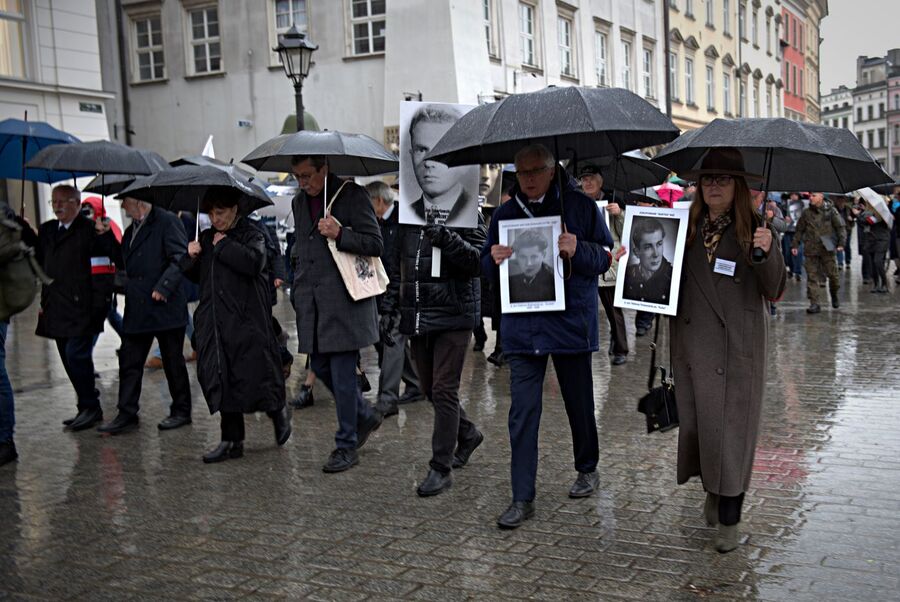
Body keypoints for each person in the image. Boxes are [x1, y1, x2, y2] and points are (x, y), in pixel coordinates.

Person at [482, 143, 613, 529]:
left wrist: (579, 250)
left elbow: (605, 258)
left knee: (579, 402)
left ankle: (588, 467)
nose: (529, 180)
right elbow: (485, 266)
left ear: (552, 169)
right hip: (523, 330)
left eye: (536, 171)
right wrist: (491, 259)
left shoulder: (581, 207)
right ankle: (522, 496)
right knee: (521, 413)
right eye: (522, 173)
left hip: (570, 321)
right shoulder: (505, 214)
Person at [665, 148, 786, 553]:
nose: (713, 185)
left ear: (738, 186)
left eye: (722, 179)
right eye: (707, 179)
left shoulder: (758, 228)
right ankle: (714, 492)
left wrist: (767, 252)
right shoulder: (684, 226)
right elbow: (661, 280)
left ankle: (730, 519)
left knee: (732, 435)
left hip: (737, 348)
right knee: (702, 430)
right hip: (693, 344)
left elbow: (774, 289)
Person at [382, 189, 487, 497]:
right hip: (419, 312)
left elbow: (477, 261)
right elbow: (397, 265)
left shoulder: (466, 208)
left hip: (455, 312)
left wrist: (445, 238)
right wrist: (390, 307)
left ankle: (440, 467)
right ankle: (468, 433)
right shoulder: (408, 212)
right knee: (429, 389)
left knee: (444, 389)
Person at [290, 155, 384, 473]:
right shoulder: (298, 203)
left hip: (345, 301)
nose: (302, 182)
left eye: (307, 175)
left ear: (324, 170)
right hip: (311, 304)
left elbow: (375, 243)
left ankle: (346, 445)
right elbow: (302, 248)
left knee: (344, 376)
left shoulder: (351, 195)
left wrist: (341, 233)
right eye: (297, 176)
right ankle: (365, 415)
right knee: (318, 365)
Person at [182, 193, 291, 463]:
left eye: (221, 212)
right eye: (211, 214)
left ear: (233, 209)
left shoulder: (252, 233)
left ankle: (277, 412)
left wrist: (224, 246)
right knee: (223, 379)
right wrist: (191, 258)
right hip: (217, 323)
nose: (215, 219)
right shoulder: (207, 238)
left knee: (256, 377)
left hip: (247, 322)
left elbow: (254, 262)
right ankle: (231, 441)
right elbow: (197, 276)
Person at [96, 198, 193, 435]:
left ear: (138, 201)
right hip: (138, 307)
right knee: (130, 361)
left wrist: (164, 286)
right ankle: (127, 413)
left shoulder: (167, 221)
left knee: (173, 362)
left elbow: (180, 257)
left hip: (165, 305)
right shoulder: (131, 231)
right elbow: (123, 263)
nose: (121, 207)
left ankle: (181, 410)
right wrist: (107, 236)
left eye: (124, 202)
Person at [34, 185, 119, 431]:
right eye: (53, 202)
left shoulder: (91, 231)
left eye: (63, 201)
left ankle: (91, 406)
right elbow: (38, 260)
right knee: (68, 359)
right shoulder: (48, 230)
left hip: (82, 307)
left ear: (77, 203)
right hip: (56, 306)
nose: (57, 206)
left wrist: (99, 305)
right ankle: (85, 406)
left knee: (76, 355)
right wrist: (27, 231)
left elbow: (105, 269)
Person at [365, 180, 422, 418]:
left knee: (392, 339)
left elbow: (399, 266)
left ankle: (387, 398)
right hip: (387, 291)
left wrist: (391, 302)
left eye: (368, 203)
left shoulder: (402, 221)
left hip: (402, 291)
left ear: (379, 200)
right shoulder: (380, 223)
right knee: (385, 337)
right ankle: (416, 384)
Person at [579, 164, 627, 365]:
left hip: (608, 264)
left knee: (613, 310)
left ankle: (621, 349)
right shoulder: (577, 202)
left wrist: (619, 213)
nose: (587, 182)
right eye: (584, 179)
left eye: (591, 178)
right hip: (584, 262)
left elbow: (625, 233)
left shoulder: (614, 200)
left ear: (600, 181)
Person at [407, 105, 476, 226]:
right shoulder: (406, 215)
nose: (428, 162)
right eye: (421, 150)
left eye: (441, 150)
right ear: (411, 154)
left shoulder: (473, 216)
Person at [792, 191, 846, 313]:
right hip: (811, 249)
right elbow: (799, 230)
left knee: (833, 276)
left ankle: (834, 294)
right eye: (810, 196)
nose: (811, 198)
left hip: (827, 249)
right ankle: (814, 303)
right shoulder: (806, 213)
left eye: (814, 195)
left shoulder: (831, 211)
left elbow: (840, 228)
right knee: (812, 277)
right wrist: (795, 244)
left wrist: (841, 244)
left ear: (821, 196)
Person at [622, 217, 674, 305]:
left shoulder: (673, 276)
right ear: (636, 252)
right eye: (648, 247)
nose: (656, 254)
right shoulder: (626, 274)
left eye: (659, 244)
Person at [507, 229, 556, 303]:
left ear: (543, 255)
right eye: (523, 257)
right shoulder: (509, 279)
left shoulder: (554, 280)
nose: (528, 263)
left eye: (534, 257)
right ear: (517, 256)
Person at [854, 198, 891, 293]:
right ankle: (876, 284)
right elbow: (861, 224)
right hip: (871, 240)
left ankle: (884, 284)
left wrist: (858, 214)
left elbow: (870, 221)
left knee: (877, 261)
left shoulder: (881, 214)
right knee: (872, 263)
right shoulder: (868, 213)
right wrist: (859, 215)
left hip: (881, 240)